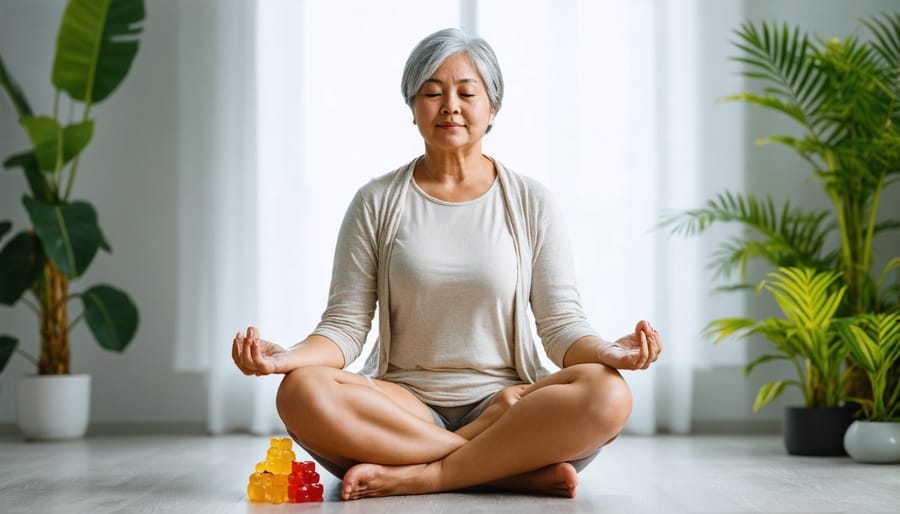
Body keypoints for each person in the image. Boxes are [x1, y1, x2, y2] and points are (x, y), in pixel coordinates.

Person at [231, 27, 661, 501]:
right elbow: (345, 326)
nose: (449, 106)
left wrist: (608, 354)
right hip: (402, 407)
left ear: (492, 107)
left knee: (608, 392)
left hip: (511, 401)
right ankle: (502, 468)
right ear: (413, 109)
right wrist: (286, 358)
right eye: (432, 93)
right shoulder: (376, 202)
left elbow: (560, 326)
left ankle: (428, 474)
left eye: (466, 93)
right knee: (299, 391)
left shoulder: (531, 201)